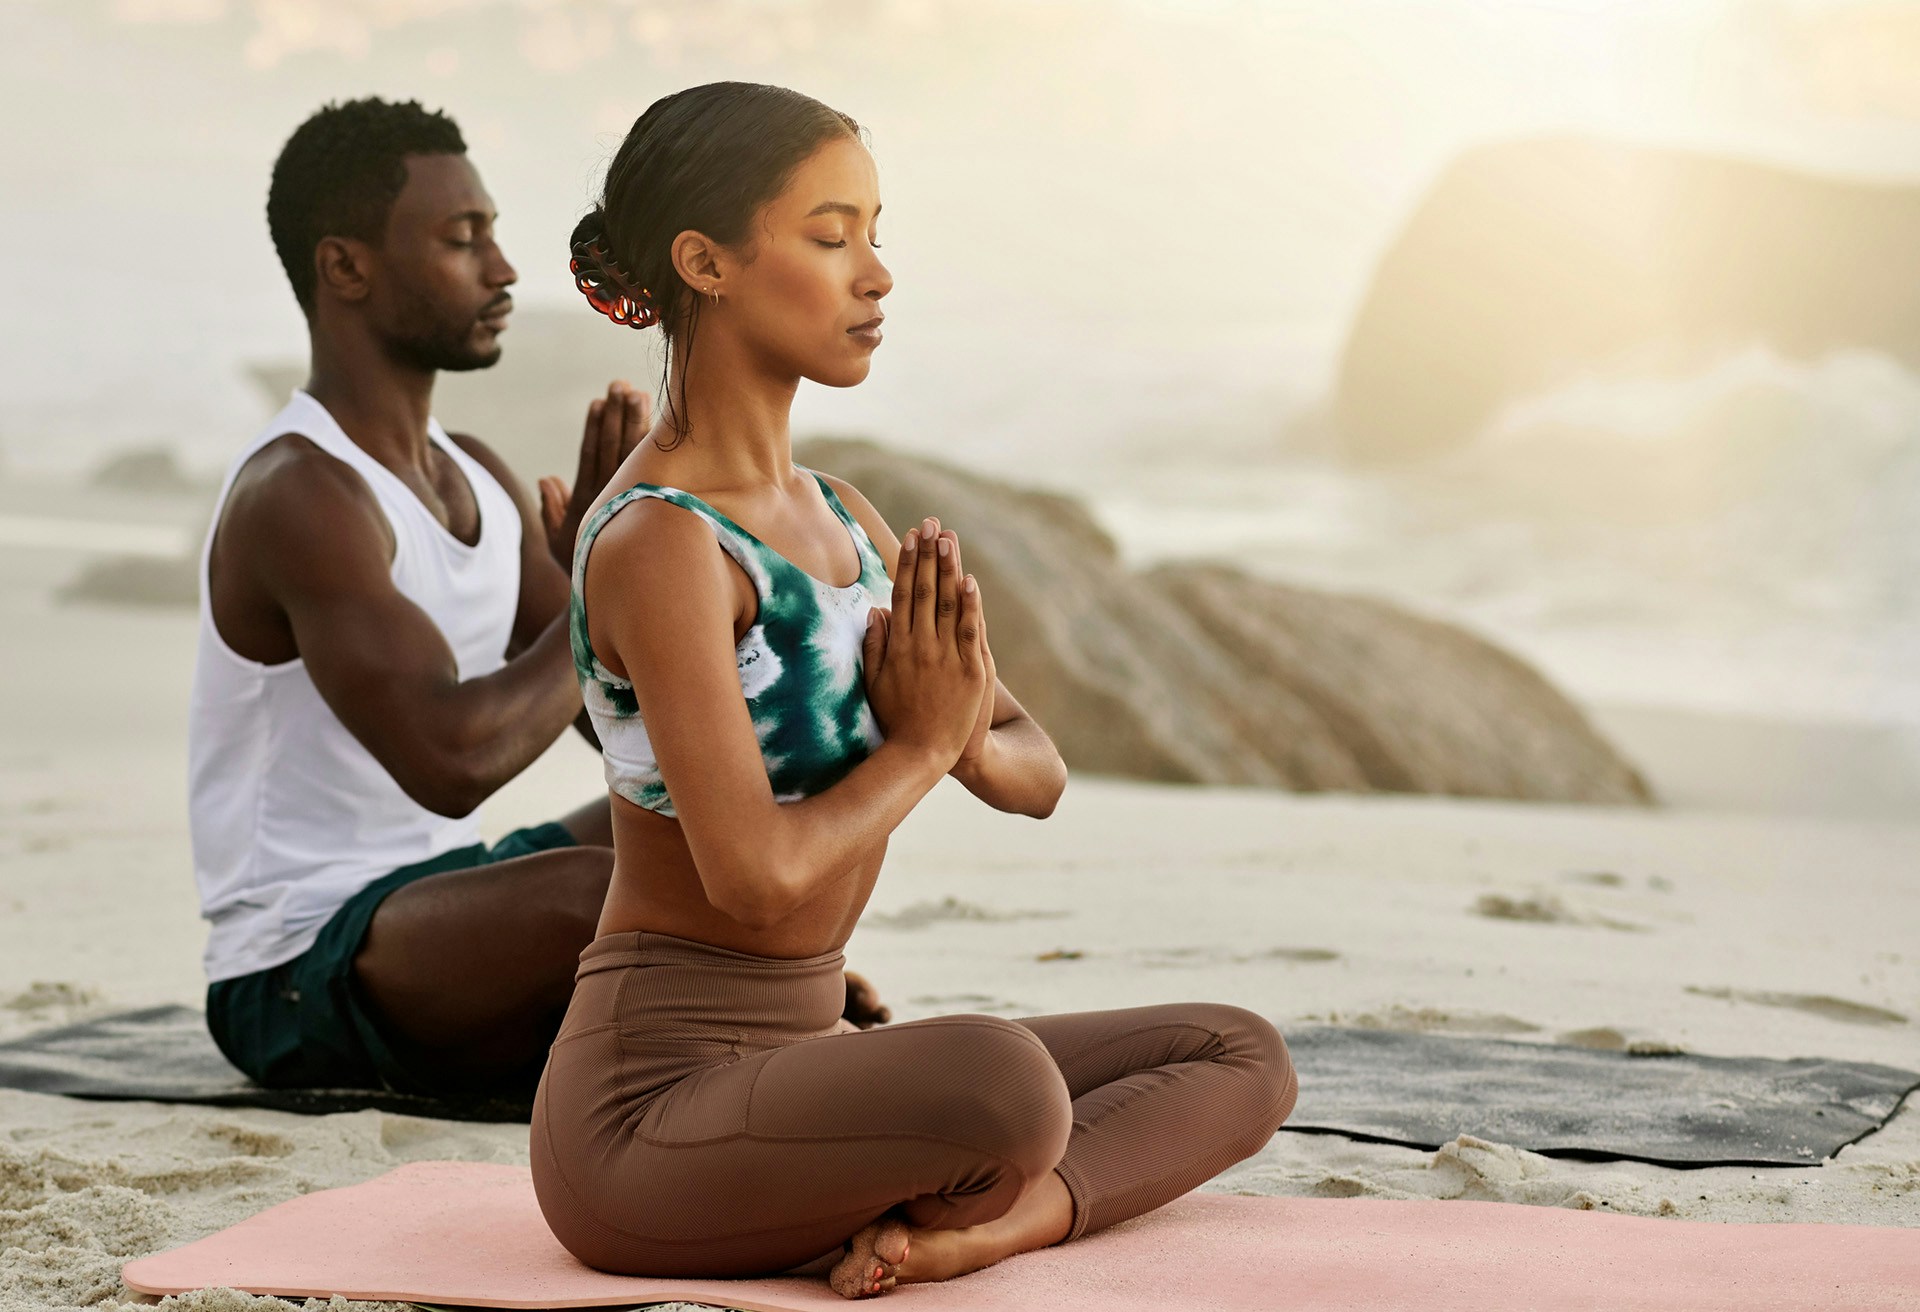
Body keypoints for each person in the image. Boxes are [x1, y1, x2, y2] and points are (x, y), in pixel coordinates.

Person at [529, 82, 1297, 1299]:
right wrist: (924, 748)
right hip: (648, 1118)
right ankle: (1001, 1194)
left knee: (1238, 1053)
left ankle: (995, 1226)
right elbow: (755, 873)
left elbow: (1032, 766)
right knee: (1002, 1085)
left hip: (809, 1064)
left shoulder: (844, 519)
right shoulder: (661, 543)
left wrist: (961, 741)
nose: (875, 274)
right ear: (705, 263)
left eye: (878, 234)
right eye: (831, 237)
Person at [190, 97, 888, 1102]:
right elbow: (454, 758)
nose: (504, 268)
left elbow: (619, 740)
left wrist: (624, 621)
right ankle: (779, 1017)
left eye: (496, 234)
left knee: (700, 823)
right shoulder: (300, 492)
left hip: (447, 890)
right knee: (591, 898)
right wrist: (611, 587)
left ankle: (767, 1005)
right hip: (300, 960)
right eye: (461, 239)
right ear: (345, 268)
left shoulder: (473, 472)